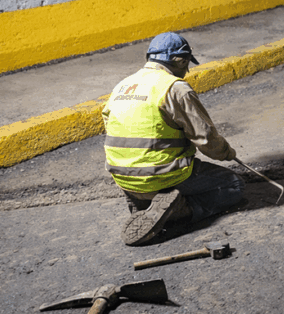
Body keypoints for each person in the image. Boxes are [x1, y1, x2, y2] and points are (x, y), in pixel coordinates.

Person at [103, 32, 244, 246]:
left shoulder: (122, 86)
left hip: (122, 177)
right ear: (181, 60)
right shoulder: (175, 87)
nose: (186, 71)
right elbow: (206, 140)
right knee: (235, 186)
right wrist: (227, 152)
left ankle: (143, 200)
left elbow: (111, 125)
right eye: (187, 65)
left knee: (150, 172)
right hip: (161, 175)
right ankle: (181, 210)